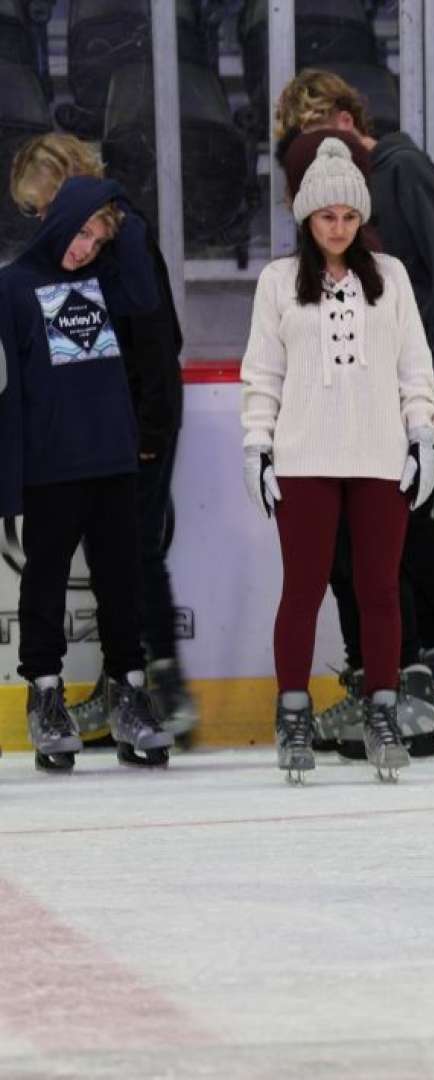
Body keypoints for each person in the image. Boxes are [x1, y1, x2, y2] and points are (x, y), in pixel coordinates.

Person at [274, 70, 434, 750]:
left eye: (331, 132)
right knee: (386, 521)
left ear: (351, 120)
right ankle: (423, 678)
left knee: (396, 512)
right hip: (401, 373)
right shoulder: (350, 193)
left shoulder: (401, 169)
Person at [240, 137, 434, 783]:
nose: (338, 226)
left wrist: (422, 437)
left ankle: (382, 707)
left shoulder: (392, 278)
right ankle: (293, 710)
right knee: (303, 588)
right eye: (327, 216)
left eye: (349, 216)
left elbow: (416, 366)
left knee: (380, 589)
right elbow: (263, 374)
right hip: (303, 457)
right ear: (306, 218)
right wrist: (257, 446)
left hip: (380, 455)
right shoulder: (277, 282)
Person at [9, 133, 196, 746]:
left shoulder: (124, 240)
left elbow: (151, 338)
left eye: (44, 208)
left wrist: (150, 428)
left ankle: (149, 683)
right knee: (77, 561)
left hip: (134, 426)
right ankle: (93, 688)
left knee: (129, 554)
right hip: (76, 441)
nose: (44, 224)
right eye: (36, 215)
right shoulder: (34, 276)